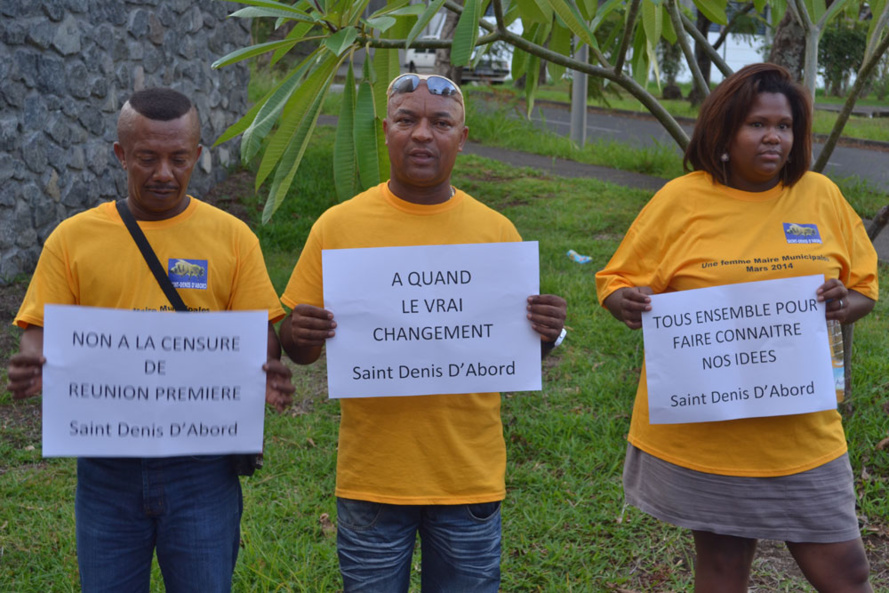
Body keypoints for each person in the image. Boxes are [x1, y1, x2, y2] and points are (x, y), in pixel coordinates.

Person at [278, 73, 567, 592]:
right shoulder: (337, 227)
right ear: (385, 129)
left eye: (440, 123)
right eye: (407, 120)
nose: (422, 134)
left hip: (468, 479)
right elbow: (298, 351)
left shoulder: (496, 232)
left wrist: (545, 332)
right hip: (373, 478)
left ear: (463, 136)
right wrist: (299, 332)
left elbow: (516, 345)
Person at [596, 63, 878, 592]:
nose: (773, 137)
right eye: (756, 124)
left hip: (800, 430)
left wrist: (844, 305)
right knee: (724, 568)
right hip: (712, 432)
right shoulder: (681, 200)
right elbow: (616, 280)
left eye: (785, 126)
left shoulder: (821, 196)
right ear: (723, 133)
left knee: (846, 572)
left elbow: (863, 287)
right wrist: (624, 301)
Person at [6, 87, 294, 593]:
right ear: (121, 155)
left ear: (198, 157)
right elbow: (38, 338)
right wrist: (31, 365)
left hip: (204, 471)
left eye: (179, 158)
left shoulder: (233, 239)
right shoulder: (73, 240)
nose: (164, 172)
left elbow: (259, 345)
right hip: (107, 470)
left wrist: (267, 376)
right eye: (147, 158)